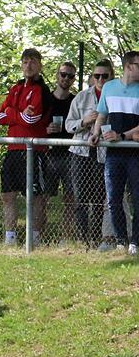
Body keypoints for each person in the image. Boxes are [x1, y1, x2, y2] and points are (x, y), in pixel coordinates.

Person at [0, 48, 52, 246]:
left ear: (39, 65)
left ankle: (34, 239)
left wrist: (12, 113)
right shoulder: (16, 88)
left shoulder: (42, 91)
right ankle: (10, 238)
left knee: (36, 197)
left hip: (34, 151)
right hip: (12, 150)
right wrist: (16, 112)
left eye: (33, 62)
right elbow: (0, 116)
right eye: (25, 62)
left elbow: (32, 119)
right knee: (7, 194)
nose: (28, 65)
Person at [89, 50, 139, 255]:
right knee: (113, 198)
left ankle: (135, 242)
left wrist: (123, 136)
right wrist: (94, 134)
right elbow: (102, 115)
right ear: (128, 66)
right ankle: (121, 240)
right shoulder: (109, 87)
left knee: (137, 198)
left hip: (135, 153)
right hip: (113, 154)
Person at [66, 60, 114, 248]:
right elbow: (69, 125)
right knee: (80, 198)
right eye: (97, 76)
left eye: (105, 76)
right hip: (80, 153)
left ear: (112, 76)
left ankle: (96, 238)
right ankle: (82, 239)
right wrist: (85, 121)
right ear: (92, 77)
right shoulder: (81, 97)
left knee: (100, 198)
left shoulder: (115, 97)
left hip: (103, 154)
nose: (100, 79)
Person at [46, 62, 77, 242]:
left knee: (70, 198)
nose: (66, 78)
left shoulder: (75, 101)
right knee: (42, 198)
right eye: (63, 74)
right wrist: (46, 130)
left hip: (69, 154)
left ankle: (65, 238)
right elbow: (36, 125)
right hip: (49, 154)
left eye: (70, 76)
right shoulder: (46, 99)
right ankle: (39, 236)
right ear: (57, 75)